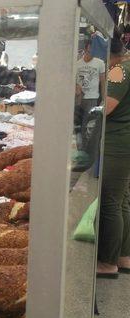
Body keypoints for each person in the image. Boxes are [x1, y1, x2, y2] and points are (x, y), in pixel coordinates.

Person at [97, 35, 130, 278]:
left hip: (117, 142)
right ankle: (123, 256)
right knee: (122, 201)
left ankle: (108, 263)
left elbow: (106, 108)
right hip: (125, 140)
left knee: (110, 201)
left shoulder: (118, 70)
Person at [75, 39, 106, 149]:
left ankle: (87, 148)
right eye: (93, 47)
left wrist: (103, 99)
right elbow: (72, 80)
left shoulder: (100, 63)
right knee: (77, 124)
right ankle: (79, 147)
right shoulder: (77, 64)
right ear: (87, 47)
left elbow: (103, 82)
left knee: (88, 124)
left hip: (92, 98)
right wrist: (76, 87)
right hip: (78, 98)